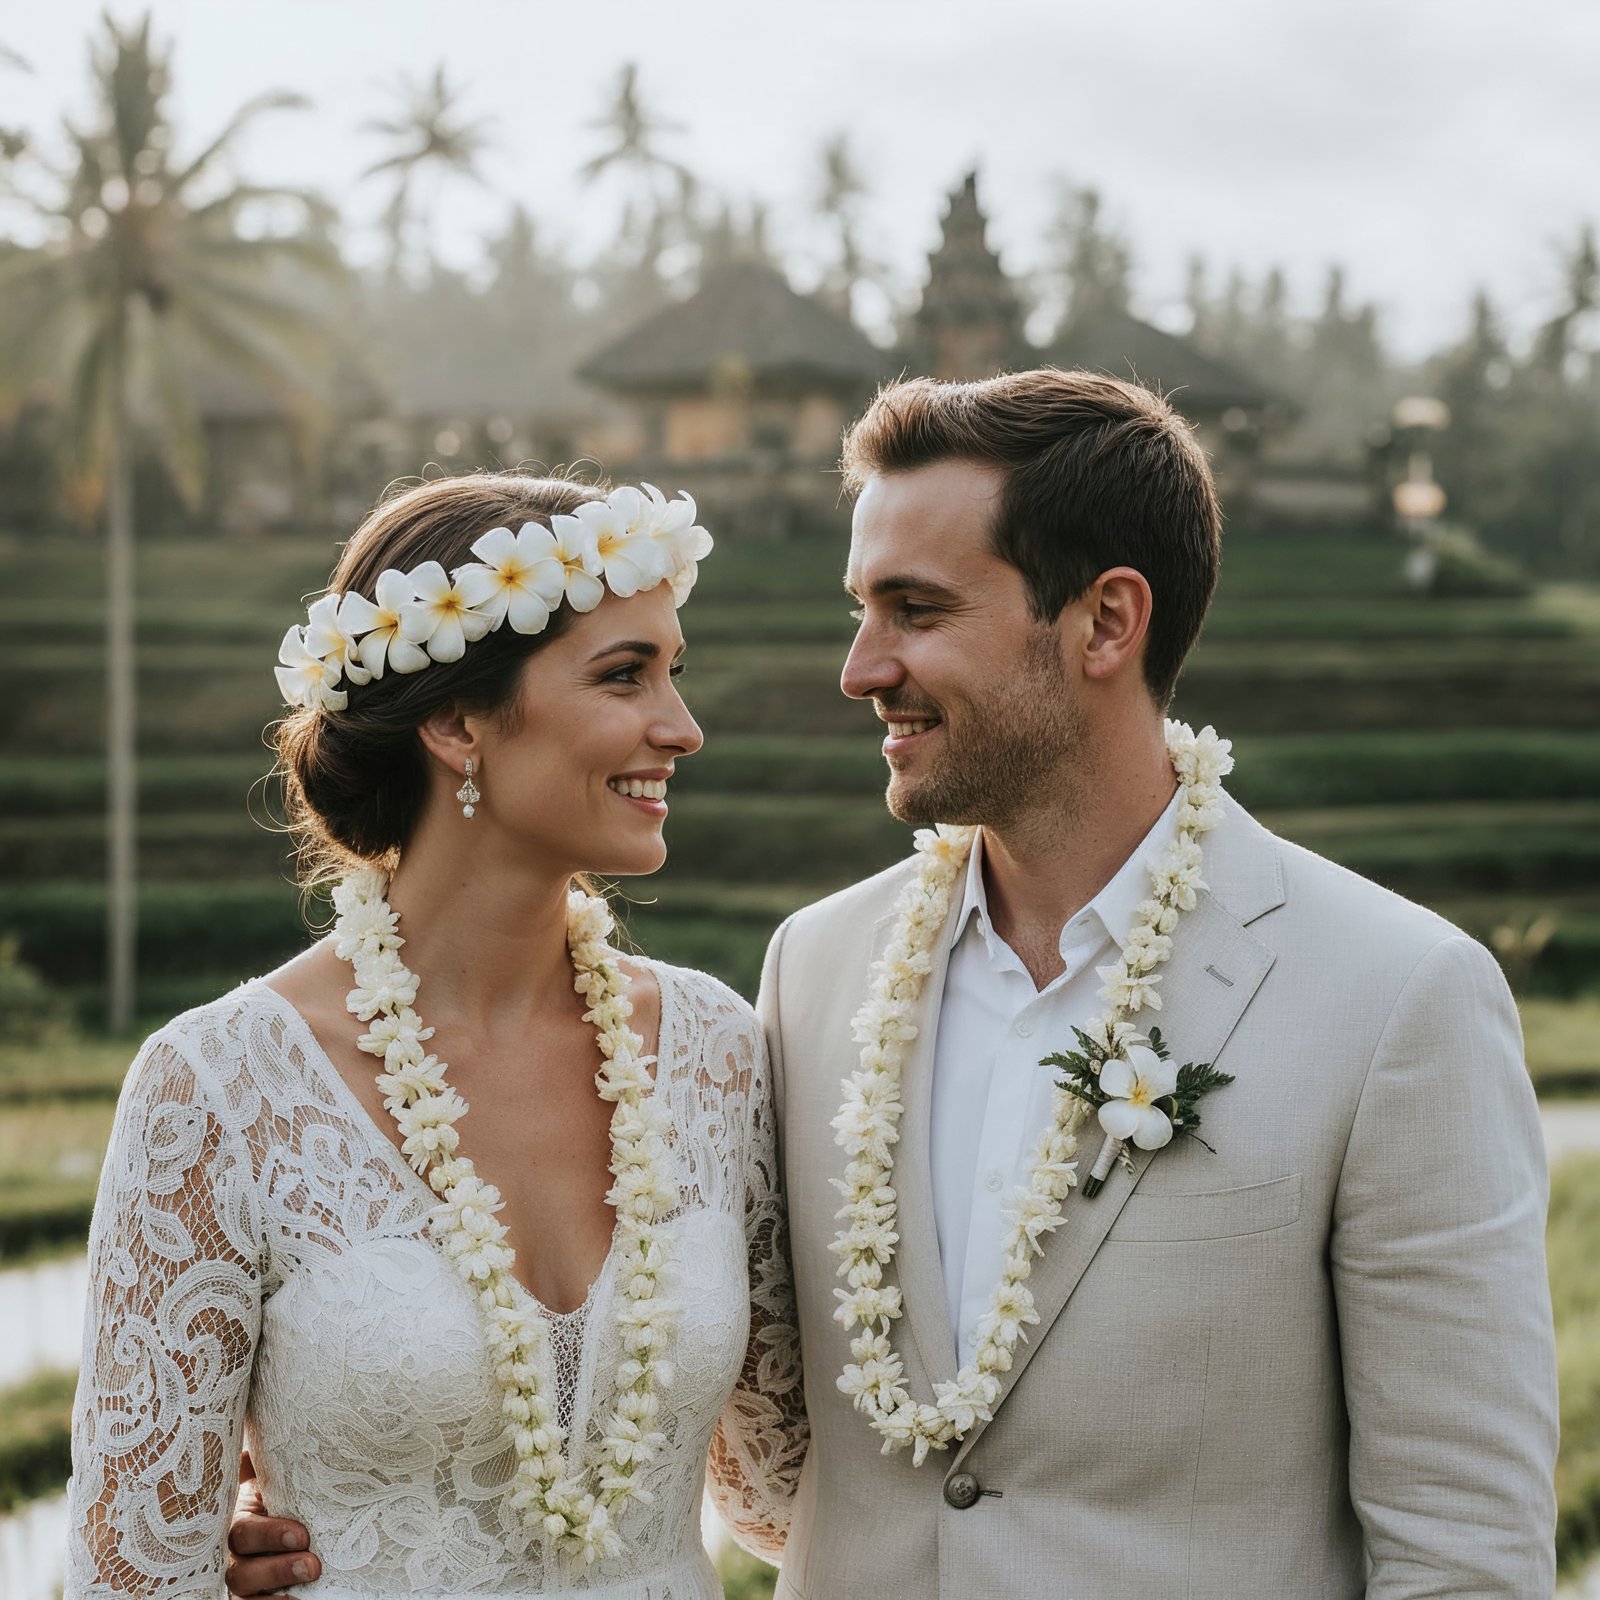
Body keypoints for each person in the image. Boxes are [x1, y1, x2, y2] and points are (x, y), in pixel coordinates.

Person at [229, 369, 1560, 1599]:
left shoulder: (1396, 1002)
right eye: (860, 611)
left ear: (1106, 620)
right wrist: (342, 1510)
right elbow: (753, 1455)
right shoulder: (815, 974)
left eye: (915, 611)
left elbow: (1464, 1550)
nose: (861, 668)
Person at [64, 472, 806, 1600]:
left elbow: (777, 1492)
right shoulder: (216, 1088)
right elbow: (131, 1578)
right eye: (624, 675)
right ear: (456, 722)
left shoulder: (717, 1050)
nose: (682, 727)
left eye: (674, 672)